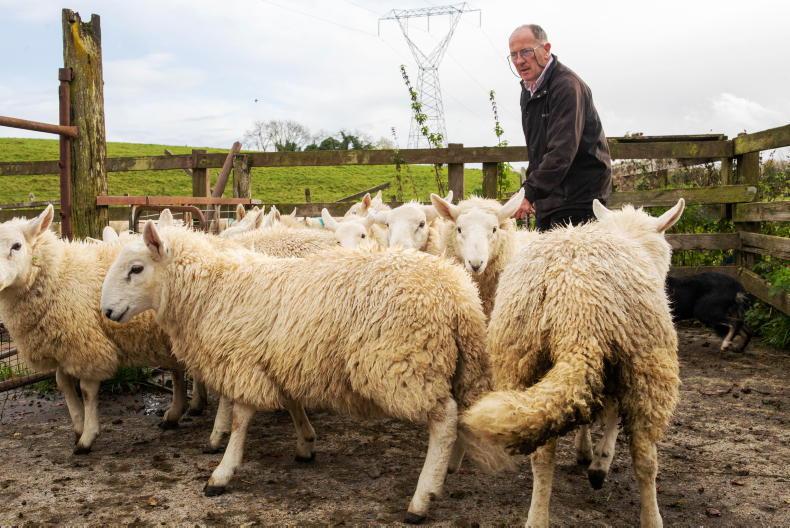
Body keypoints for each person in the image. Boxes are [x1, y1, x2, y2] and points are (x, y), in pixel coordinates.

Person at [509, 24, 612, 231]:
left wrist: (529, 192)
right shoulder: (529, 90)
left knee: (572, 261)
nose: (520, 61)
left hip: (580, 198)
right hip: (551, 199)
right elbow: (538, 151)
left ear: (546, 50)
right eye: (513, 55)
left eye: (526, 52)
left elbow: (562, 151)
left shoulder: (566, 87)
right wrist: (533, 194)